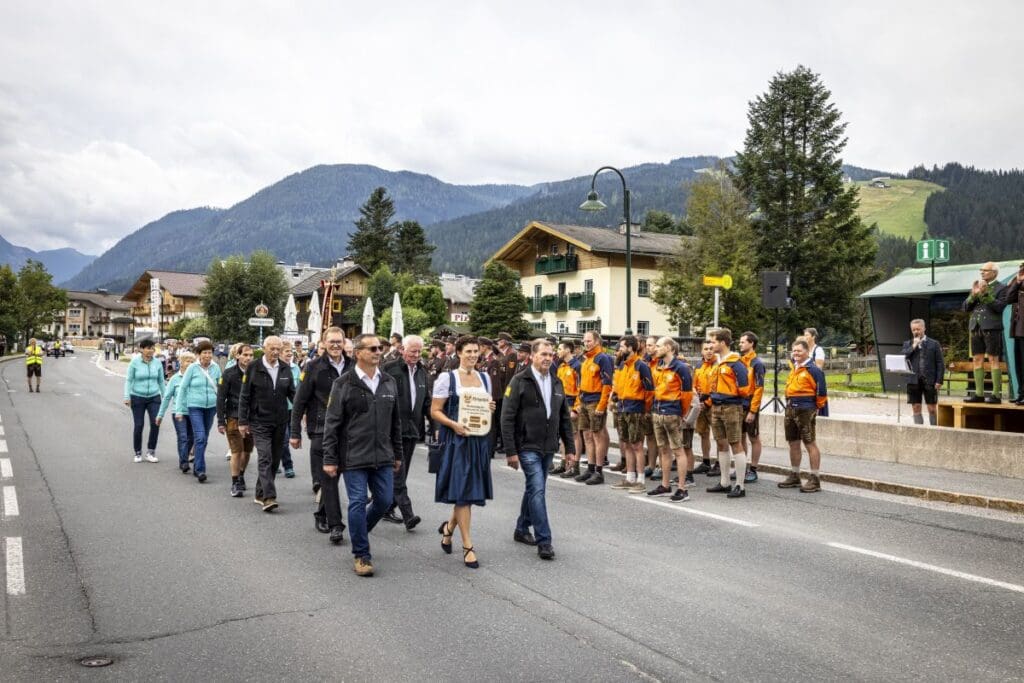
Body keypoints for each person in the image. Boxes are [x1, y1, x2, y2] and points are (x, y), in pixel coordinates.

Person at [321, 334, 403, 577]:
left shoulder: (388, 381)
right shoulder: (344, 383)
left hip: (383, 455)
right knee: (357, 501)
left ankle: (359, 531)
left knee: (385, 500)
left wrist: (397, 453)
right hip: (353, 455)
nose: (379, 352)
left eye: (380, 348)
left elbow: (395, 422)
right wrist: (329, 458)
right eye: (373, 348)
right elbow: (332, 423)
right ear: (358, 353)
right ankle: (362, 555)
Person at [501, 339, 574, 560]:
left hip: (548, 446)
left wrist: (569, 448)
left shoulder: (556, 381)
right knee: (537, 489)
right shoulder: (519, 380)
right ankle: (544, 540)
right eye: (543, 354)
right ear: (533, 356)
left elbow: (564, 418)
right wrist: (510, 451)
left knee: (535, 489)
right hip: (527, 445)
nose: (547, 358)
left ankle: (522, 528)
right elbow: (507, 417)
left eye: (550, 355)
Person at [431, 335, 495, 569]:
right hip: (456, 440)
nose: (472, 355)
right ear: (458, 353)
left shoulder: (485, 377)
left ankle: (448, 529)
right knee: (463, 492)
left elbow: (486, 409)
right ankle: (468, 546)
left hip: (478, 441)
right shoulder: (446, 378)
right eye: (468, 351)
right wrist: (453, 424)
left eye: (475, 352)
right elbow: (435, 411)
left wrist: (489, 407)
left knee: (467, 490)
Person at [290, 327, 351, 544]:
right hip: (320, 429)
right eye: (331, 341)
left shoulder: (354, 367)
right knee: (328, 476)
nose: (335, 345)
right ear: (323, 343)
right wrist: (295, 432)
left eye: (339, 341)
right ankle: (336, 525)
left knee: (337, 476)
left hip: (347, 431)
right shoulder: (313, 366)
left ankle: (322, 513)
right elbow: (299, 402)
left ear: (344, 343)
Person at [238, 336, 296, 512]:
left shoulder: (285, 369)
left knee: (275, 460)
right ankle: (269, 497)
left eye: (279, 349)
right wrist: (242, 421)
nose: (276, 352)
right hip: (259, 421)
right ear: (264, 348)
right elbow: (245, 396)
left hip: (280, 421)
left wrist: (302, 412)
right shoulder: (254, 367)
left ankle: (259, 492)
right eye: (273, 349)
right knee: (265, 457)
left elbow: (293, 394)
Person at [382, 334, 430, 530]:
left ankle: (385, 505)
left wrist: (435, 428)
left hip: (412, 431)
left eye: (419, 351)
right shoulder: (389, 369)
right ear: (403, 350)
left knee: (401, 473)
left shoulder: (422, 372)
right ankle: (408, 513)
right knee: (397, 472)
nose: (416, 355)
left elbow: (426, 402)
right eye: (413, 351)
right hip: (391, 431)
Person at [647, 336, 695, 501]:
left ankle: (682, 489)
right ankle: (665, 485)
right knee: (664, 450)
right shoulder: (659, 366)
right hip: (658, 411)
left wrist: (681, 413)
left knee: (678, 451)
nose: (655, 349)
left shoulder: (680, 368)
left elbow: (687, 394)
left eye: (659, 346)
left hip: (671, 412)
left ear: (668, 347)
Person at [778, 338, 828, 492]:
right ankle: (795, 475)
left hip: (806, 409)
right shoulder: (795, 368)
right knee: (793, 442)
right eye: (794, 351)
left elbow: (822, 392)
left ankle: (815, 478)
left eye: (799, 351)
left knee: (809, 443)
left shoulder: (813, 369)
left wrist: (814, 408)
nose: (796, 353)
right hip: (791, 407)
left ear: (807, 352)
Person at [706, 329, 749, 498]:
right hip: (716, 406)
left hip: (731, 406)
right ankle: (724, 481)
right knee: (721, 443)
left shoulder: (735, 363)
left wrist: (731, 395)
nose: (711, 345)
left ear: (723, 342)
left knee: (735, 443)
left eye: (714, 342)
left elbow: (745, 388)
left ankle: (740, 485)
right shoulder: (719, 362)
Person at [609, 336, 653, 494]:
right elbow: (617, 387)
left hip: (636, 408)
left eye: (622, 346)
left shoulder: (641, 366)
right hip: (622, 408)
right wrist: (615, 397)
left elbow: (649, 390)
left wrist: (644, 408)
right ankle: (630, 477)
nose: (620, 349)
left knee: (637, 445)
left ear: (631, 348)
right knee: (626, 443)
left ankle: (640, 479)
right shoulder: (622, 366)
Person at [173, 340, 222, 483]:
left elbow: (220, 388)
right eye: (204, 352)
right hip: (194, 406)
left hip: (211, 408)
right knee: (200, 437)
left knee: (204, 438)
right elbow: (182, 388)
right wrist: (179, 410)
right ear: (198, 354)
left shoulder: (216, 368)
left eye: (209, 352)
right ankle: (200, 470)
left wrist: (221, 408)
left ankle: (197, 466)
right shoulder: (192, 368)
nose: (207, 355)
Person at [963, 262, 1008, 403]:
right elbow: (965, 307)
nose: (982, 273)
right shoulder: (976, 285)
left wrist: (985, 293)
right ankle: (979, 394)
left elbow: (999, 307)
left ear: (994, 272)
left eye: (986, 270)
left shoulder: (1002, 287)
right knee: (977, 359)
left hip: (992, 327)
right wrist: (974, 295)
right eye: (981, 270)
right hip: (975, 327)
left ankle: (996, 395)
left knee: (993, 359)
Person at [574, 331, 614, 485]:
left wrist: (602, 404)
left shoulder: (602, 358)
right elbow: (582, 383)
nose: (586, 343)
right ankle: (590, 468)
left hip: (595, 400)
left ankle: (599, 471)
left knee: (597, 435)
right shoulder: (587, 359)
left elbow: (607, 383)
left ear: (597, 341)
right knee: (587, 436)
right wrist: (578, 403)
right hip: (584, 399)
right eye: (585, 341)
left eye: (589, 341)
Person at [218, 344, 255, 496]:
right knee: (236, 452)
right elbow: (221, 398)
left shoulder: (256, 373)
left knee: (247, 451)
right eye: (245, 355)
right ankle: (235, 483)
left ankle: (241, 475)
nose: (248, 358)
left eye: (251, 355)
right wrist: (221, 421)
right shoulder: (228, 374)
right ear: (237, 356)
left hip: (252, 418)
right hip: (233, 416)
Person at [124, 338, 165, 463]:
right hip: (137, 397)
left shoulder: (157, 363)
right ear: (141, 349)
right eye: (148, 348)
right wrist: (127, 396)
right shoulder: (134, 362)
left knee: (155, 423)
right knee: (139, 425)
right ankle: (137, 452)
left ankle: (151, 451)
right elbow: (129, 380)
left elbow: (161, 381)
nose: (150, 351)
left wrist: (165, 396)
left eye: (152, 348)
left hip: (154, 397)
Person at [156, 350, 195, 473]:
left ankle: (186, 454)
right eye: (187, 361)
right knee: (182, 437)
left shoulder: (196, 377)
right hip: (178, 412)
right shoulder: (174, 379)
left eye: (192, 361)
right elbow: (167, 398)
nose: (190, 363)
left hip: (194, 412)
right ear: (181, 363)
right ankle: (183, 462)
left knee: (192, 438)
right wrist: (160, 415)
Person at [901, 319, 945, 425]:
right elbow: (903, 357)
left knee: (932, 408)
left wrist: (939, 380)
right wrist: (913, 346)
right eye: (914, 330)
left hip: (930, 380)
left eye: (918, 329)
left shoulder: (934, 344)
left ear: (924, 328)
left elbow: (940, 363)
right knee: (916, 407)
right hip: (913, 381)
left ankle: (934, 430)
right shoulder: (908, 344)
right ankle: (918, 431)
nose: (916, 331)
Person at [739, 332, 766, 482]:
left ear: (751, 344)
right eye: (740, 342)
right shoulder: (740, 361)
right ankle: (742, 466)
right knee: (740, 436)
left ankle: (753, 469)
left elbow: (759, 388)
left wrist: (753, 410)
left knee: (753, 437)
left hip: (750, 405)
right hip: (739, 404)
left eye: (743, 342)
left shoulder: (757, 363)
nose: (740, 344)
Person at [552, 340, 582, 477]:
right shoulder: (561, 365)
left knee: (574, 435)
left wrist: (576, 408)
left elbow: (580, 389)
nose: (557, 351)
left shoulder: (576, 366)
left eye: (560, 349)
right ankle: (564, 463)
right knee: (563, 435)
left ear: (568, 350)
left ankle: (574, 466)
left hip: (571, 403)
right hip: (561, 402)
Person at [691, 341, 717, 476]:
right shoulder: (699, 365)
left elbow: (718, 388)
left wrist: (708, 402)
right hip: (701, 403)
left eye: (711, 349)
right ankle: (706, 461)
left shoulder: (717, 365)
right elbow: (694, 384)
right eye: (706, 349)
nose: (709, 351)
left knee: (719, 436)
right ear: (702, 351)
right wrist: (697, 401)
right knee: (703, 434)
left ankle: (718, 463)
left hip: (713, 404)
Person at [1002, 262, 1024, 405]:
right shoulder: (1018, 285)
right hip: (1018, 329)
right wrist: (1017, 282)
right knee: (1019, 364)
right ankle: (1021, 393)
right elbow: (1008, 298)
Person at [277, 345, 300, 478]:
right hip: (279, 410)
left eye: (291, 351)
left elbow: (298, 389)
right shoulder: (276, 368)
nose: (289, 354)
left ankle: (276, 461)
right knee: (284, 439)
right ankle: (288, 465)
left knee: (287, 438)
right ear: (280, 353)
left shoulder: (296, 368)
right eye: (286, 351)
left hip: (293, 409)